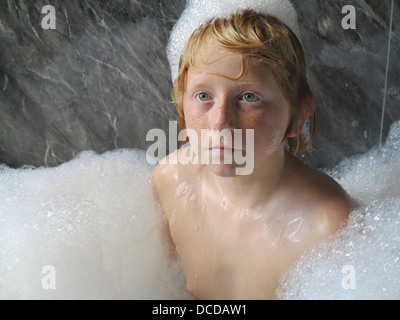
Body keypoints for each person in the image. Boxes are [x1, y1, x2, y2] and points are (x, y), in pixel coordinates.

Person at [152, 0, 355, 299]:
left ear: (297, 117)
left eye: (249, 97)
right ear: (182, 112)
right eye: (204, 95)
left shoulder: (327, 227)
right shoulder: (171, 181)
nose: (220, 121)